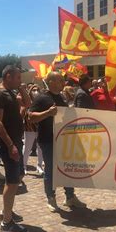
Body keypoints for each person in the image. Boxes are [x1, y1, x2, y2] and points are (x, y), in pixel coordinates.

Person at [29, 72, 87, 212]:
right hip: (47, 140)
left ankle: (70, 197)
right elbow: (31, 117)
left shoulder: (60, 97)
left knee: (66, 167)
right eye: (60, 80)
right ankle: (51, 198)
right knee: (50, 169)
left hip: (62, 138)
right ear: (51, 81)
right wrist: (47, 113)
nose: (63, 82)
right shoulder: (41, 98)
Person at [0, 65, 31, 232]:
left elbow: (28, 103)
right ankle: (7, 222)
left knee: (19, 174)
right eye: (17, 78)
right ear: (8, 76)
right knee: (12, 181)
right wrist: (10, 145)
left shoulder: (11, 93)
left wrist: (22, 88)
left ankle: (6, 211)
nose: (20, 81)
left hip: (16, 141)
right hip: (9, 144)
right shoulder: (0, 94)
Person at [22, 84, 43, 175]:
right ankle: (23, 165)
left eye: (37, 89)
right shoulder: (27, 101)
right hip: (29, 127)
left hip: (40, 128)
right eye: (34, 90)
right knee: (27, 147)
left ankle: (39, 166)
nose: (36, 91)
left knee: (40, 148)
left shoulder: (42, 101)